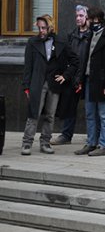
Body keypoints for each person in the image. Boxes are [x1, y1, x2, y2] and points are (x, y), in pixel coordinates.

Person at [21, 14, 79, 155]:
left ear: (50, 27)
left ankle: (45, 142)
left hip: (54, 84)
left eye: (44, 28)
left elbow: (75, 61)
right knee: (34, 113)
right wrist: (26, 86)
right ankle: (27, 143)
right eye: (39, 28)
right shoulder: (32, 42)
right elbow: (27, 66)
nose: (41, 31)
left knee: (50, 115)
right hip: (37, 83)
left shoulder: (61, 41)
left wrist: (65, 76)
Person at [73, 7, 105, 157]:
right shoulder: (91, 34)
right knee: (90, 113)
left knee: (104, 114)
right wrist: (81, 79)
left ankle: (104, 145)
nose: (88, 22)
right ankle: (91, 142)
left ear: (97, 20)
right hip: (89, 80)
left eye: (89, 19)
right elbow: (86, 60)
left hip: (103, 82)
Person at [52, 5, 92, 145]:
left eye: (81, 15)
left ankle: (92, 136)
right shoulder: (72, 35)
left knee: (90, 107)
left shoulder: (92, 35)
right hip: (72, 75)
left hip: (87, 75)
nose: (78, 18)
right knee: (69, 106)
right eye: (77, 16)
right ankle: (66, 135)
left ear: (87, 17)